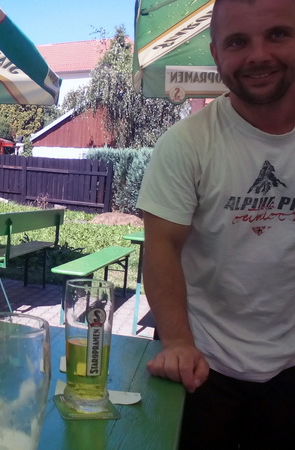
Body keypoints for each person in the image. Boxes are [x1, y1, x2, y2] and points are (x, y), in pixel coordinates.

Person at [136, 0, 295, 448]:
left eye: (278, 34)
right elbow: (162, 246)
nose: (258, 55)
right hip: (202, 363)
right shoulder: (187, 143)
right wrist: (177, 343)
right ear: (216, 54)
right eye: (237, 42)